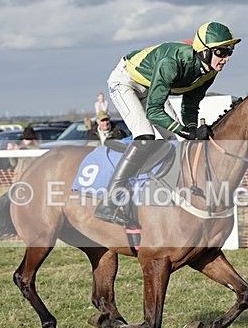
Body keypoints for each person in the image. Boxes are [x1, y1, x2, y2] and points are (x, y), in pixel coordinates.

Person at [96, 21, 240, 226]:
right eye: (221, 52)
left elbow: (190, 105)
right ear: (205, 52)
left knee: (173, 142)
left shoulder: (210, 72)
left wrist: (191, 128)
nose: (225, 58)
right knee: (146, 137)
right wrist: (184, 130)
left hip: (152, 87)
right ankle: (108, 203)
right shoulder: (172, 63)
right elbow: (154, 111)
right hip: (126, 81)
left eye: (229, 52)